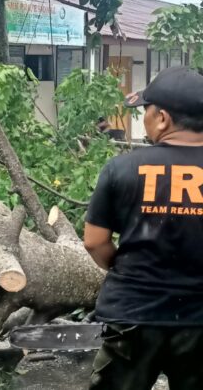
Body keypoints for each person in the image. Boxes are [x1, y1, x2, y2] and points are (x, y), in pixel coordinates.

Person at [84, 66, 203, 390]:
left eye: (146, 111)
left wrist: (124, 270)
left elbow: (95, 242)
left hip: (132, 313)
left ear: (162, 118)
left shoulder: (121, 168)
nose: (144, 119)